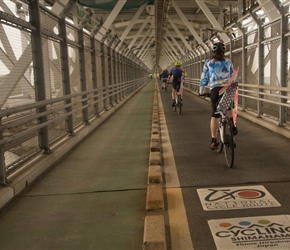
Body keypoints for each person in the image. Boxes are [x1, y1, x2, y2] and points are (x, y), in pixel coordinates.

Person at [199, 42, 238, 150]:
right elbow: (233, 75)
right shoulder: (229, 61)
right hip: (228, 88)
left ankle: (214, 140)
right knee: (229, 107)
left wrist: (201, 90)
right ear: (224, 52)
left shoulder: (209, 62)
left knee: (215, 114)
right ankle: (232, 125)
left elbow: (204, 76)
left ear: (213, 51)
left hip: (215, 89)